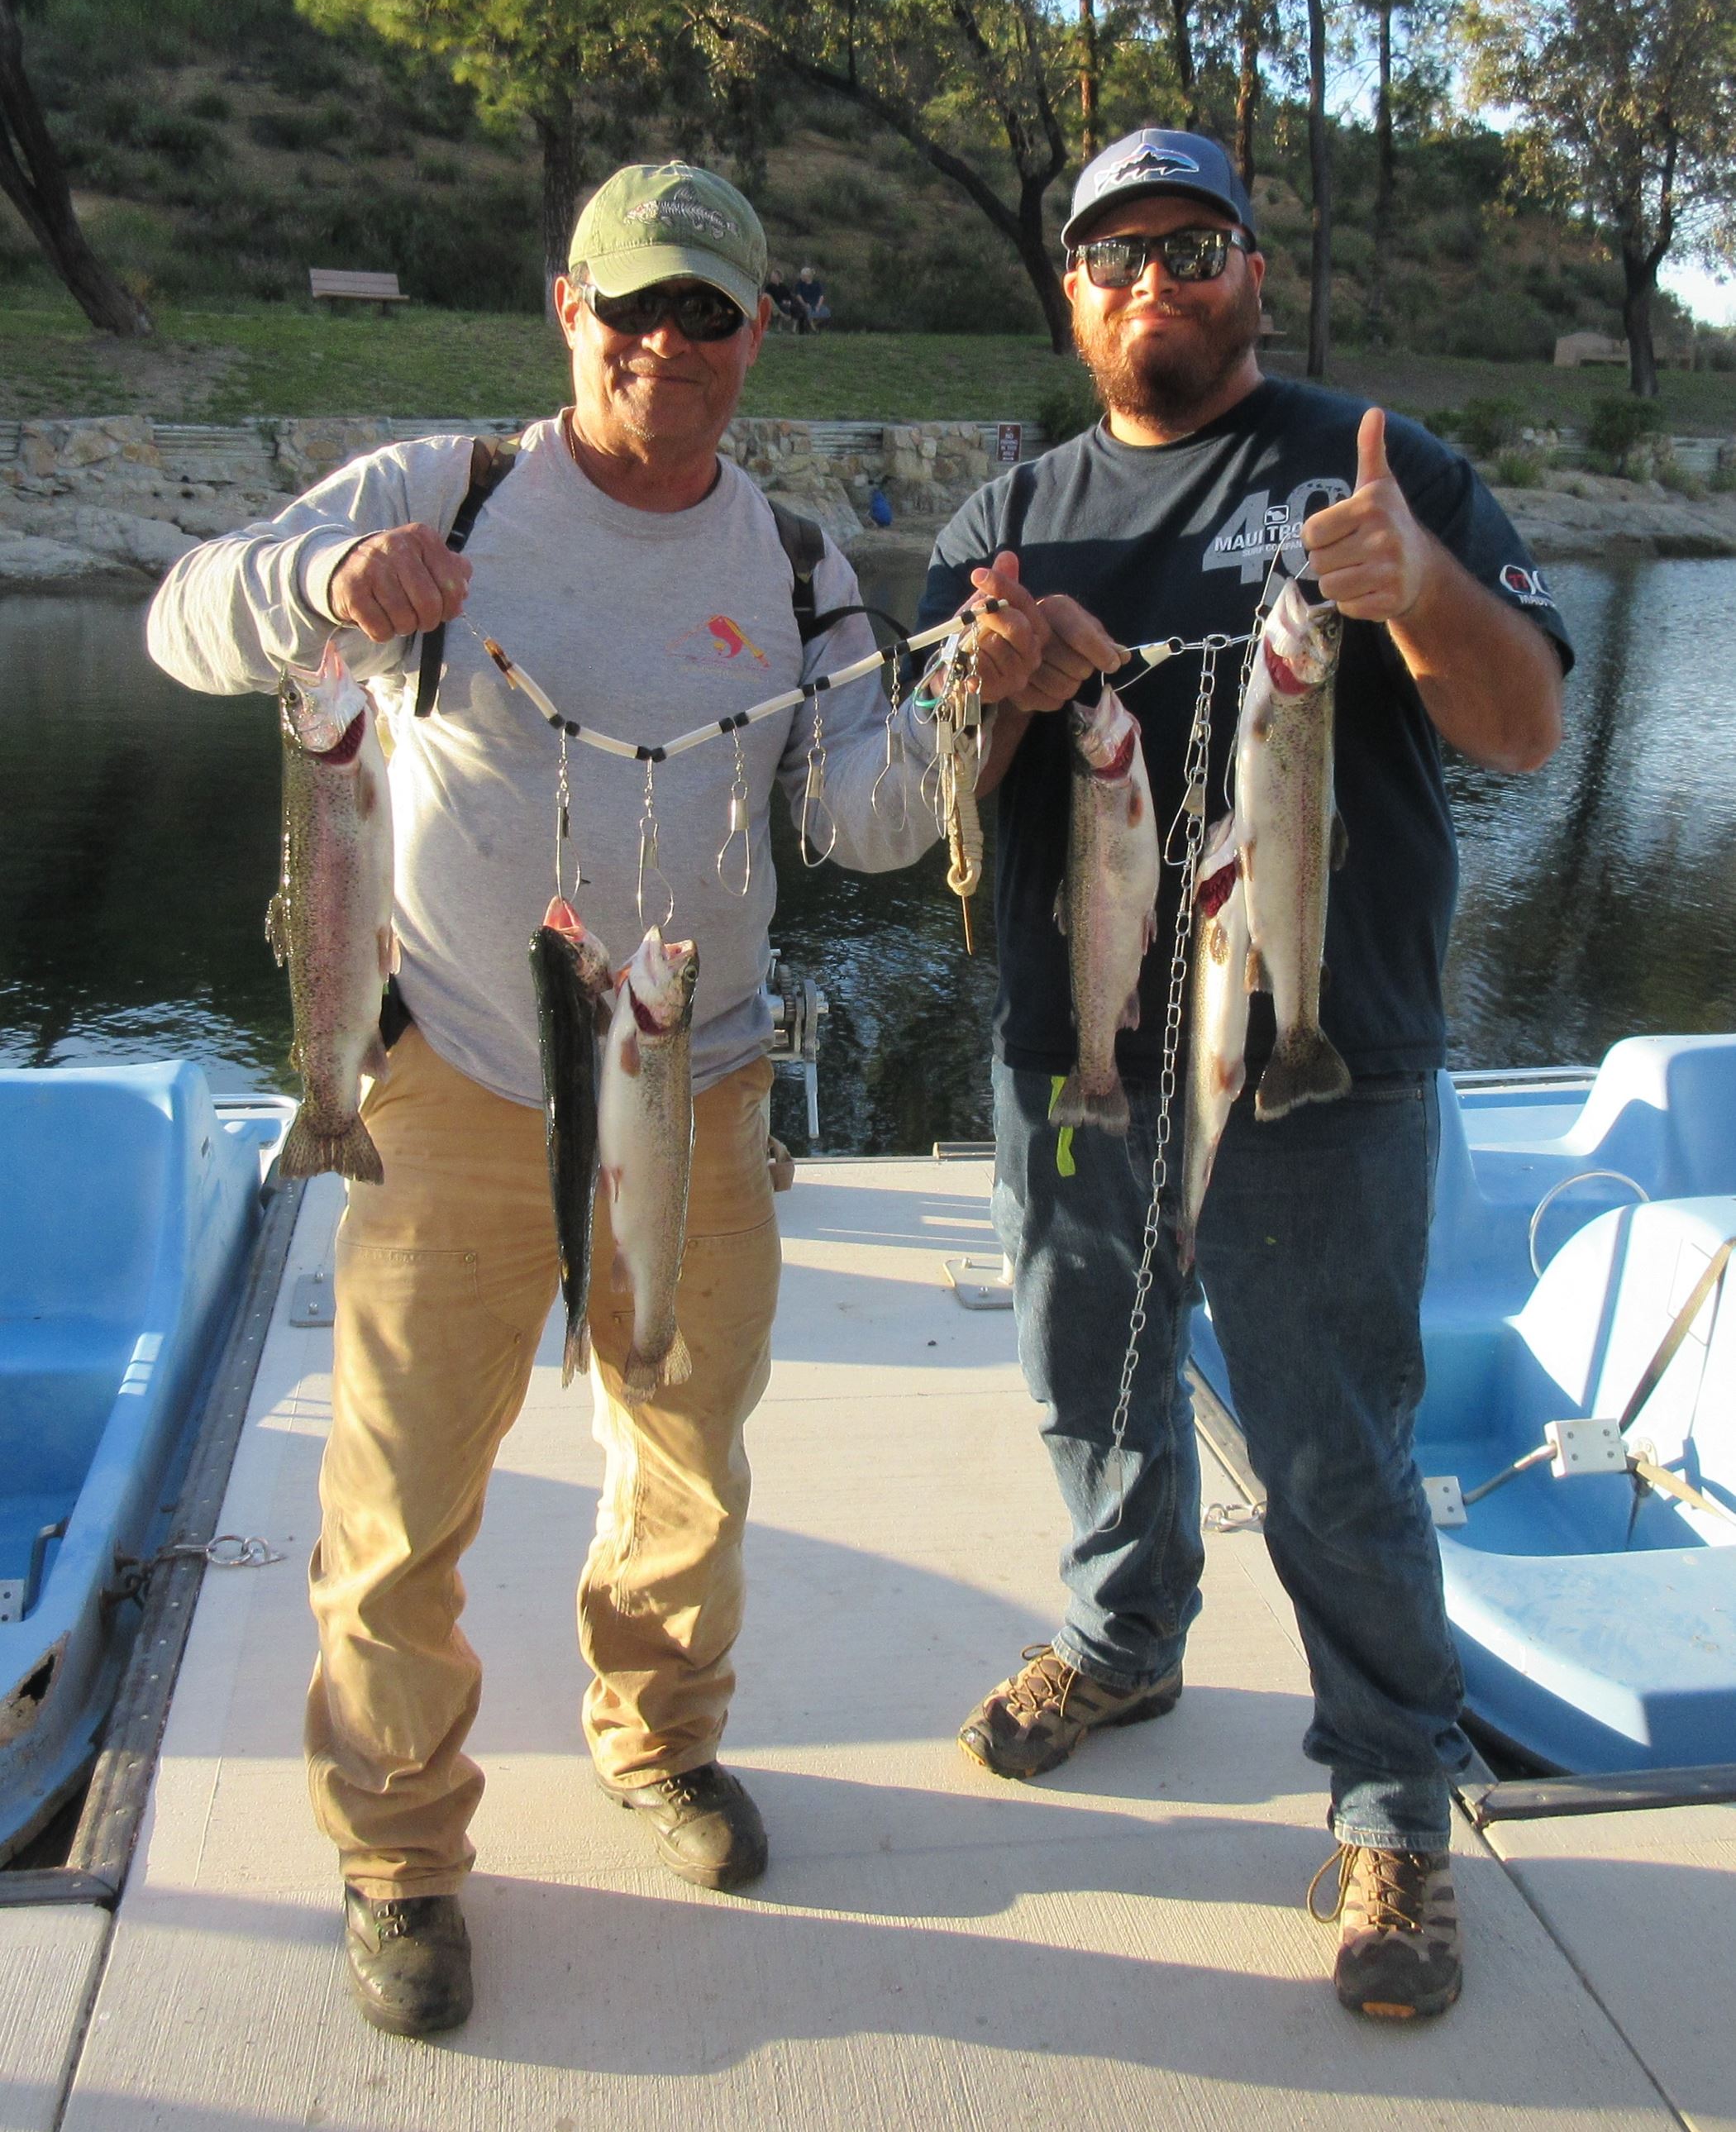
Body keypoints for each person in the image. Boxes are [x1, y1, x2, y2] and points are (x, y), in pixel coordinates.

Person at [146, 159, 1040, 2039]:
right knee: (399, 1501)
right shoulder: (440, 493)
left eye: (709, 311)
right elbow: (183, 621)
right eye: (635, 305)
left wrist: (983, 701)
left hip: (698, 1081)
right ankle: (400, 1850)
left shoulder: (799, 567)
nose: (668, 343)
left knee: (689, 1460)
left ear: (756, 333)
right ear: (570, 307)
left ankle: (660, 1740)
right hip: (456, 1078)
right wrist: (319, 580)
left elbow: (864, 818)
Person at [917, 127, 1570, 2023]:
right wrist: (993, 689)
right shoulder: (1004, 522)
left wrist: (1414, 586)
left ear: (1255, 272)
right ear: (1069, 293)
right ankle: (1122, 1634)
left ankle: (1395, 1804)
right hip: (1074, 1053)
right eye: (1114, 254)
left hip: (1319, 1054)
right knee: (1088, 1384)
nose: (1156, 282)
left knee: (1332, 1449)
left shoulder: (1382, 469)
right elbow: (924, 796)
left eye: (1193, 246)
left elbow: (1524, 727)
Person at [794, 265, 831, 333]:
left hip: (816, 304)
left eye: (803, 275)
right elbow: (798, 296)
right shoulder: (800, 284)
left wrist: (818, 306)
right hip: (805, 304)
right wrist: (804, 304)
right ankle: (814, 329)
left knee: (827, 312)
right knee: (808, 311)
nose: (801, 277)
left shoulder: (817, 284)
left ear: (808, 276)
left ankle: (811, 325)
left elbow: (821, 296)